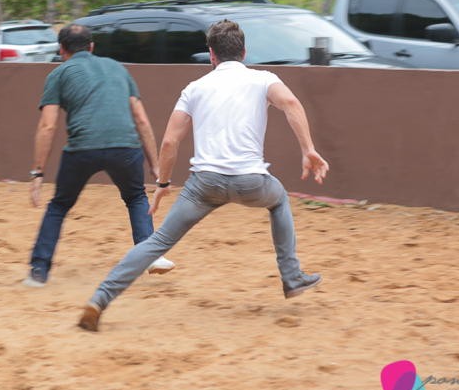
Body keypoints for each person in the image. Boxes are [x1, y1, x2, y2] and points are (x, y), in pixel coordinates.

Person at [78, 19, 329, 331]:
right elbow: (290, 102)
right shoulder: (264, 79)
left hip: (203, 186)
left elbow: (170, 141)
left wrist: (163, 184)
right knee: (278, 201)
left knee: (157, 242)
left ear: (211, 54)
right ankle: (291, 277)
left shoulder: (194, 89)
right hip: (250, 182)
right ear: (244, 52)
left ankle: (100, 298)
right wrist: (308, 149)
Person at [24, 23, 175, 287]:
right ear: (92, 47)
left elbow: (48, 126)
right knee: (136, 196)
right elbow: (141, 120)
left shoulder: (58, 74)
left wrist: (38, 172)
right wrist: (155, 165)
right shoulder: (118, 68)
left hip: (82, 149)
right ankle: (152, 256)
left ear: (61, 49)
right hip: (126, 149)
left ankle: (39, 272)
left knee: (59, 206)